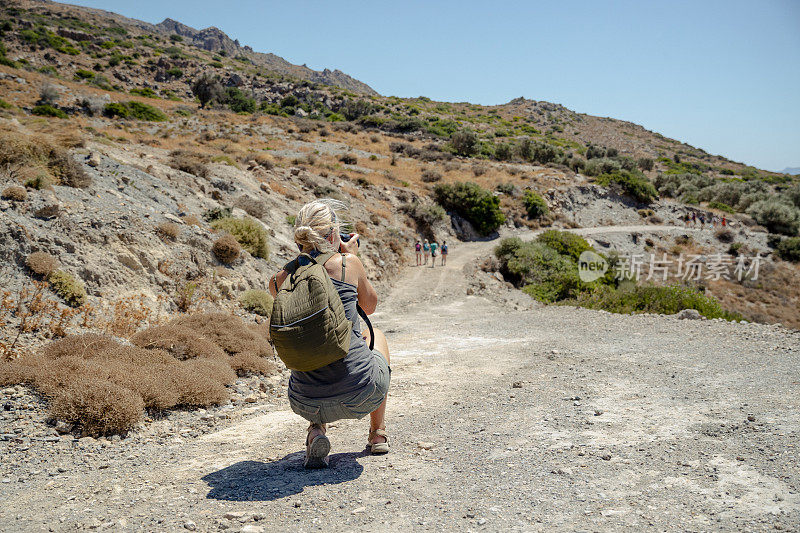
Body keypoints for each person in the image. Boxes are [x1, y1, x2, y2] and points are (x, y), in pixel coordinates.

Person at [268, 199, 391, 468]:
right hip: (361, 394)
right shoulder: (348, 264)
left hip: (304, 401)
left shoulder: (280, 279)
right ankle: (377, 433)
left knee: (314, 343)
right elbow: (369, 307)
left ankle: (315, 431)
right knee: (377, 335)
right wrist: (352, 255)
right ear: (334, 234)